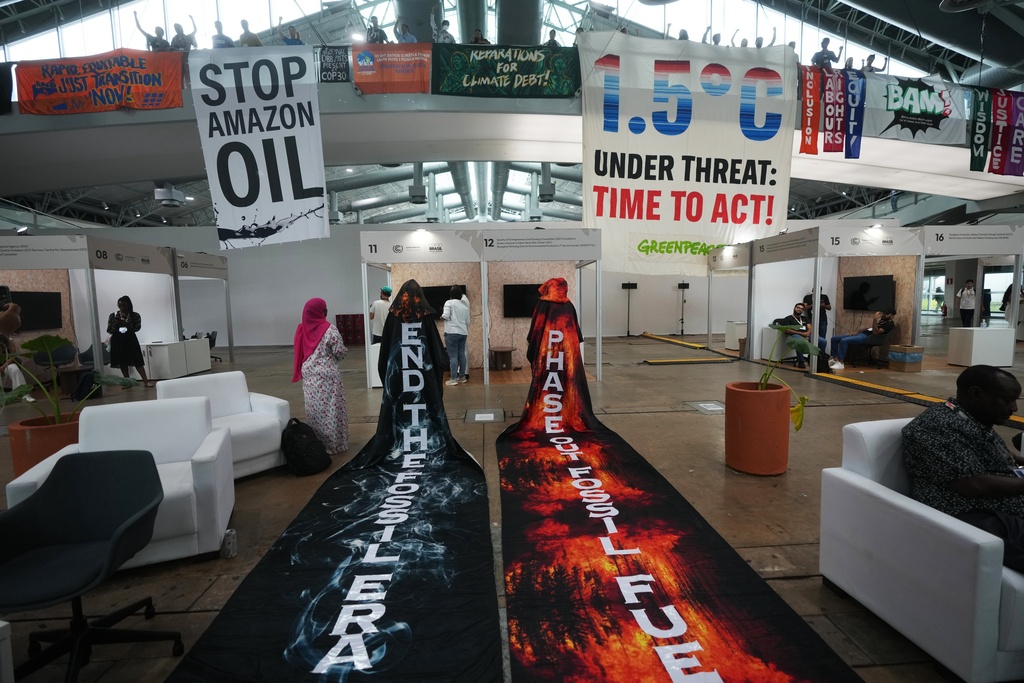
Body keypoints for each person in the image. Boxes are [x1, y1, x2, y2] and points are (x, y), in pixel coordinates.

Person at [903, 365, 1024, 572]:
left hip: (999, 505)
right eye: (1006, 400)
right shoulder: (938, 425)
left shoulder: (972, 420)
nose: (1014, 408)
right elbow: (972, 484)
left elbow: (1007, 458)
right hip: (969, 513)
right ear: (976, 394)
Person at [344, 279, 475, 470]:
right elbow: (436, 349)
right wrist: (441, 370)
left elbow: (385, 350)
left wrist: (386, 376)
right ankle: (424, 443)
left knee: (399, 411)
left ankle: (401, 444)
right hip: (423, 377)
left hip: (398, 376)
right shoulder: (426, 316)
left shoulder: (393, 316)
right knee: (425, 410)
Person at [293, 298, 349, 455]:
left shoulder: (301, 330)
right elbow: (339, 352)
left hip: (309, 375)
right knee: (332, 409)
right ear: (321, 312)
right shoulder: (330, 330)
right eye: (325, 308)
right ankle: (335, 445)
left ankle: (317, 443)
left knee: (314, 410)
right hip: (328, 376)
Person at [107, 295, 153, 387]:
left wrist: (127, 324)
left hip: (130, 340)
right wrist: (115, 324)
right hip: (118, 341)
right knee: (122, 362)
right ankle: (127, 383)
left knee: (137, 360)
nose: (122, 308)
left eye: (124, 305)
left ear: (129, 305)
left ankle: (146, 381)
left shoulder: (135, 315)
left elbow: (137, 328)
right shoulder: (113, 316)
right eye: (120, 306)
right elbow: (109, 330)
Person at [828, 308, 896, 371]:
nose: (884, 315)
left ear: (892, 315)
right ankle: (835, 359)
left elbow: (876, 332)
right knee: (834, 338)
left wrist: (874, 320)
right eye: (884, 313)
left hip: (868, 337)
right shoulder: (882, 321)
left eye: (886, 314)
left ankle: (841, 362)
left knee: (844, 341)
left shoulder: (890, 324)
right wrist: (857, 331)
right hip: (862, 334)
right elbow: (870, 328)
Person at [778, 303, 825, 369]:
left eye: (802, 309)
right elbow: (787, 330)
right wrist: (803, 334)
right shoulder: (788, 318)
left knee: (823, 341)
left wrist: (808, 333)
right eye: (798, 307)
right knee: (800, 340)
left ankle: (819, 359)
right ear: (794, 308)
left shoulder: (804, 318)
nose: (800, 309)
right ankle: (801, 361)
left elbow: (810, 327)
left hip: (806, 335)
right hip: (793, 336)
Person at [442, 286, 470, 386]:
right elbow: (467, 322)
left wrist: (441, 317)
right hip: (463, 332)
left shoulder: (448, 303)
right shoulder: (465, 306)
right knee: (461, 354)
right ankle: (462, 377)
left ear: (451, 295)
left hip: (451, 332)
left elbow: (445, 315)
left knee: (453, 356)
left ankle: (453, 378)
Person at [1, 333, 34, 402]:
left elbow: (13, 355)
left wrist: (3, 367)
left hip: (7, 363)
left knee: (14, 369)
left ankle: (23, 395)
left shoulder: (7, 339)